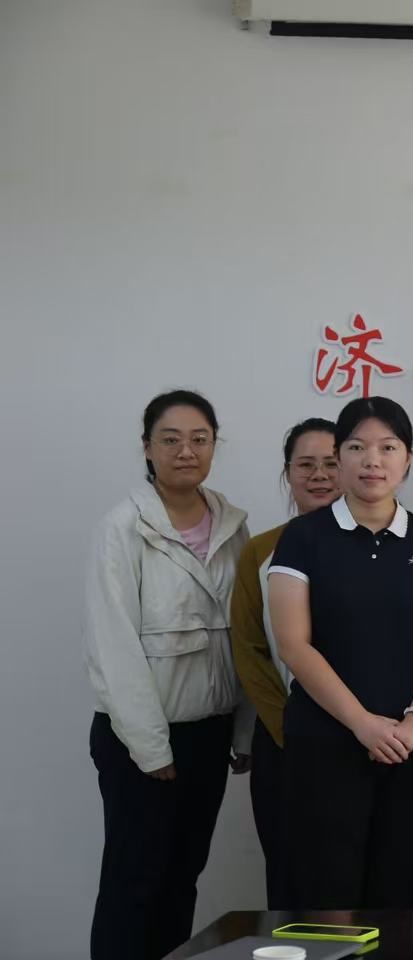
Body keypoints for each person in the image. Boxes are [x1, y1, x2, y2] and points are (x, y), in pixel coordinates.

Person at [269, 396, 413, 909]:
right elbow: (293, 644)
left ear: (408, 459)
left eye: (388, 448)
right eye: (357, 447)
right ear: (339, 456)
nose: (372, 460)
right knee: (326, 897)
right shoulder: (304, 537)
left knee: (398, 896)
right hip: (326, 744)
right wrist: (362, 724)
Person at [84, 389, 252, 960]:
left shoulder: (232, 525)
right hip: (141, 739)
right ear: (147, 447)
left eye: (199, 439)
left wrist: (243, 731)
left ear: (214, 446)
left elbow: (245, 635)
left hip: (208, 732)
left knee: (182, 879)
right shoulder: (123, 527)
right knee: (133, 884)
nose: (187, 451)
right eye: (171, 439)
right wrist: (151, 747)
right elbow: (112, 646)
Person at [229, 417, 339, 909]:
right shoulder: (260, 550)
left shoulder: (385, 545)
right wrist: (288, 727)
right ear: (287, 473)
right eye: (305, 464)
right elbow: (249, 650)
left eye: (331, 463)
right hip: (286, 743)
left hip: (367, 743)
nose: (319, 475)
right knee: (291, 882)